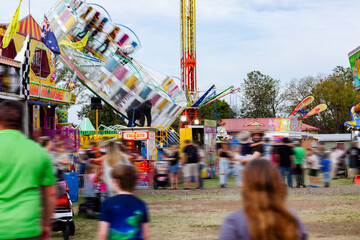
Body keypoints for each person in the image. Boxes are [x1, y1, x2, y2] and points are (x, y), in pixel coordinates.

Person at [0, 100, 57, 240]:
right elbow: (50, 194)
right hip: (28, 229)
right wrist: (45, 225)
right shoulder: (39, 151)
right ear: (21, 122)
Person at [219, 158, 307, 240]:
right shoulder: (291, 218)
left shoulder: (234, 222)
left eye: (243, 179)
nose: (240, 184)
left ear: (247, 186)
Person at [97, 164, 150, 240]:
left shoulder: (107, 203)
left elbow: (103, 234)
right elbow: (146, 234)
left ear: (117, 182)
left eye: (112, 180)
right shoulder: (141, 204)